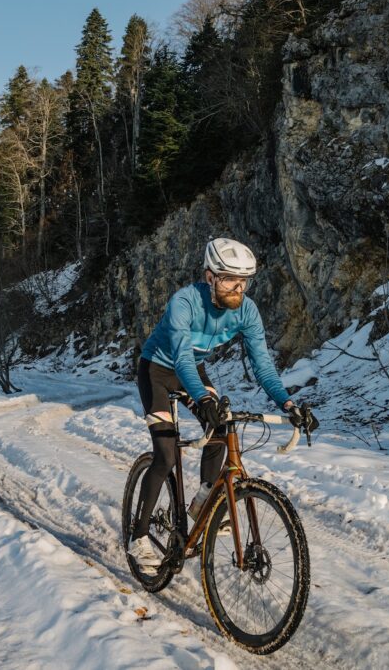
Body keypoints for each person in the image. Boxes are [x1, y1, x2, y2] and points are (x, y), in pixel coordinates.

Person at [129, 238, 295, 573]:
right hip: (159, 371)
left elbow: (263, 364)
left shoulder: (246, 310)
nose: (239, 287)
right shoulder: (185, 302)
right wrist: (203, 399)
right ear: (210, 277)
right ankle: (139, 536)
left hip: (193, 371)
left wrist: (288, 403)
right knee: (166, 455)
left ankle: (205, 500)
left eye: (244, 280)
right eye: (231, 279)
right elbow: (182, 359)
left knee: (222, 424)